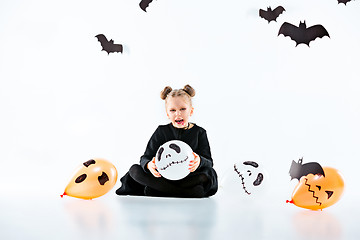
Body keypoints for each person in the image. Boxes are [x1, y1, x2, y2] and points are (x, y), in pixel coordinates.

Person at [115, 85, 218, 198]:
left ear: (191, 111)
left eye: (182, 109)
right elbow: (145, 157)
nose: (178, 114)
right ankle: (179, 192)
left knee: (208, 174)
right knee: (134, 170)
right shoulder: (161, 131)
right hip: (162, 177)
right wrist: (149, 165)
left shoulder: (199, 132)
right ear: (167, 114)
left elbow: (209, 161)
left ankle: (159, 190)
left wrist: (199, 161)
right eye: (173, 110)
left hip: (188, 177)